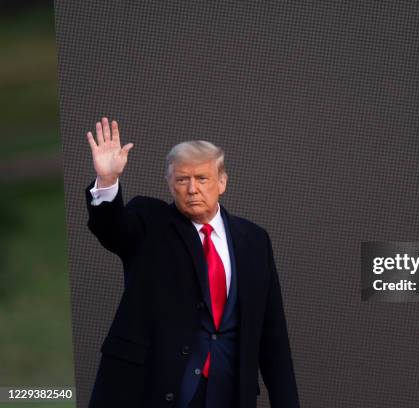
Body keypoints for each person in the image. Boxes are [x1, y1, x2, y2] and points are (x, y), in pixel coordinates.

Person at [85, 117, 299, 408]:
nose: (192, 189)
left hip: (229, 391)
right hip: (154, 389)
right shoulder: (149, 221)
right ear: (170, 184)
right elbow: (112, 229)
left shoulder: (254, 239)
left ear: (222, 182)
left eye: (202, 179)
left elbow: (273, 334)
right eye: (182, 180)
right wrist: (108, 181)